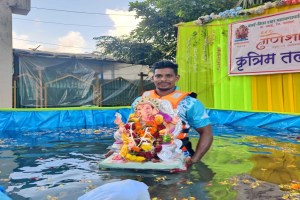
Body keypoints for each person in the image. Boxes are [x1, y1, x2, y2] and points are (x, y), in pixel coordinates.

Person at [132, 60, 213, 168]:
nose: (163, 79)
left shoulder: (190, 103)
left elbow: (206, 133)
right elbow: (130, 129)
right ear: (153, 78)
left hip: (178, 156)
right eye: (159, 76)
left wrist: (194, 160)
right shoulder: (140, 101)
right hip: (143, 155)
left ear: (177, 78)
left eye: (168, 76)